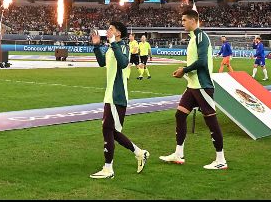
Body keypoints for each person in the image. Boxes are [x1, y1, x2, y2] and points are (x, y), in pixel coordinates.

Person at [160, 10, 227, 170]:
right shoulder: (192, 38)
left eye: (184, 20)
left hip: (202, 86)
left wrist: (184, 69)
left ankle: (221, 160)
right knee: (180, 115)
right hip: (192, 86)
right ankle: (178, 153)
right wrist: (185, 71)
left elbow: (202, 62)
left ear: (193, 20)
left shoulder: (201, 37)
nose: (182, 23)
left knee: (211, 121)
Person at [89, 22, 149, 179]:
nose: (108, 31)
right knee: (112, 131)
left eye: (111, 29)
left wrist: (113, 44)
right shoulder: (112, 46)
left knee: (107, 129)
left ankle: (108, 168)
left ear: (119, 34)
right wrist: (96, 46)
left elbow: (123, 63)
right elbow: (102, 63)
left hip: (118, 96)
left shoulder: (123, 46)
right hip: (110, 95)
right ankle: (139, 153)